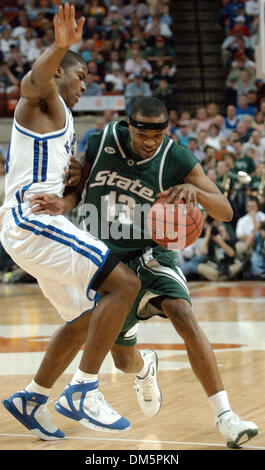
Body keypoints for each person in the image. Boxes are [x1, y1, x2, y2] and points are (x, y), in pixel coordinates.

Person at [32, 96, 259, 448]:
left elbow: (226, 210)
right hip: (107, 265)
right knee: (123, 360)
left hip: (149, 255)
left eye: (158, 135)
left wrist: (195, 191)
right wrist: (63, 203)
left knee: (183, 313)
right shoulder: (103, 140)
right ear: (130, 126)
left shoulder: (176, 157)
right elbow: (79, 190)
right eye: (143, 136)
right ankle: (143, 368)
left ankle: (226, 416)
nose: (150, 142)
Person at [0, 3, 140, 440]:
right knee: (125, 285)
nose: (85, 86)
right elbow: (31, 83)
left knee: (83, 317)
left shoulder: (63, 120)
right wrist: (60, 48)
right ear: (61, 73)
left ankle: (32, 397)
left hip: (32, 225)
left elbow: (60, 181)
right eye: (81, 77)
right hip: (30, 222)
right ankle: (83, 390)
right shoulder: (43, 99)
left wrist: (71, 187)